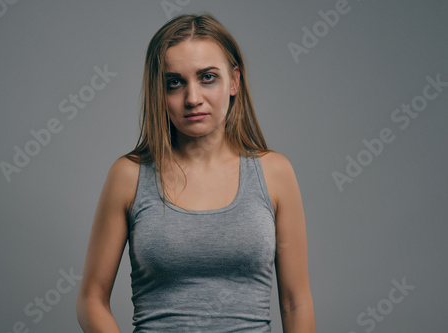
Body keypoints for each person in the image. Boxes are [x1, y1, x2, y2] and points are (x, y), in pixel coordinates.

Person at [76, 12, 315, 333]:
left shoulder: (275, 172)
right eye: (174, 83)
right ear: (158, 93)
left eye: (207, 77)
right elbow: (91, 298)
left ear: (234, 81)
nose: (192, 98)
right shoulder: (128, 176)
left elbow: (295, 302)